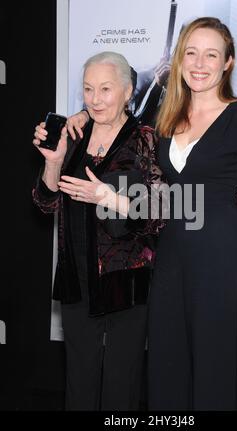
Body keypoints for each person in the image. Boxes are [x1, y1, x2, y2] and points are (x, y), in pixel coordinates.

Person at [147, 17, 237, 411]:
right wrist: (83, 119)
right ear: (179, 60)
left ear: (228, 63)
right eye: (191, 53)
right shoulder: (165, 120)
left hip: (221, 253)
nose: (199, 63)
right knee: (167, 364)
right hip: (170, 255)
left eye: (211, 54)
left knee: (215, 367)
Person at [32, 51, 164, 411]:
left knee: (122, 382)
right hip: (77, 278)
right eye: (88, 89)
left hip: (126, 280)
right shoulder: (73, 134)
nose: (95, 98)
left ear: (128, 91)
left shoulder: (146, 139)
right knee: (79, 379)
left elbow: (161, 213)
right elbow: (46, 202)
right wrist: (54, 163)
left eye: (106, 88)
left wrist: (108, 197)